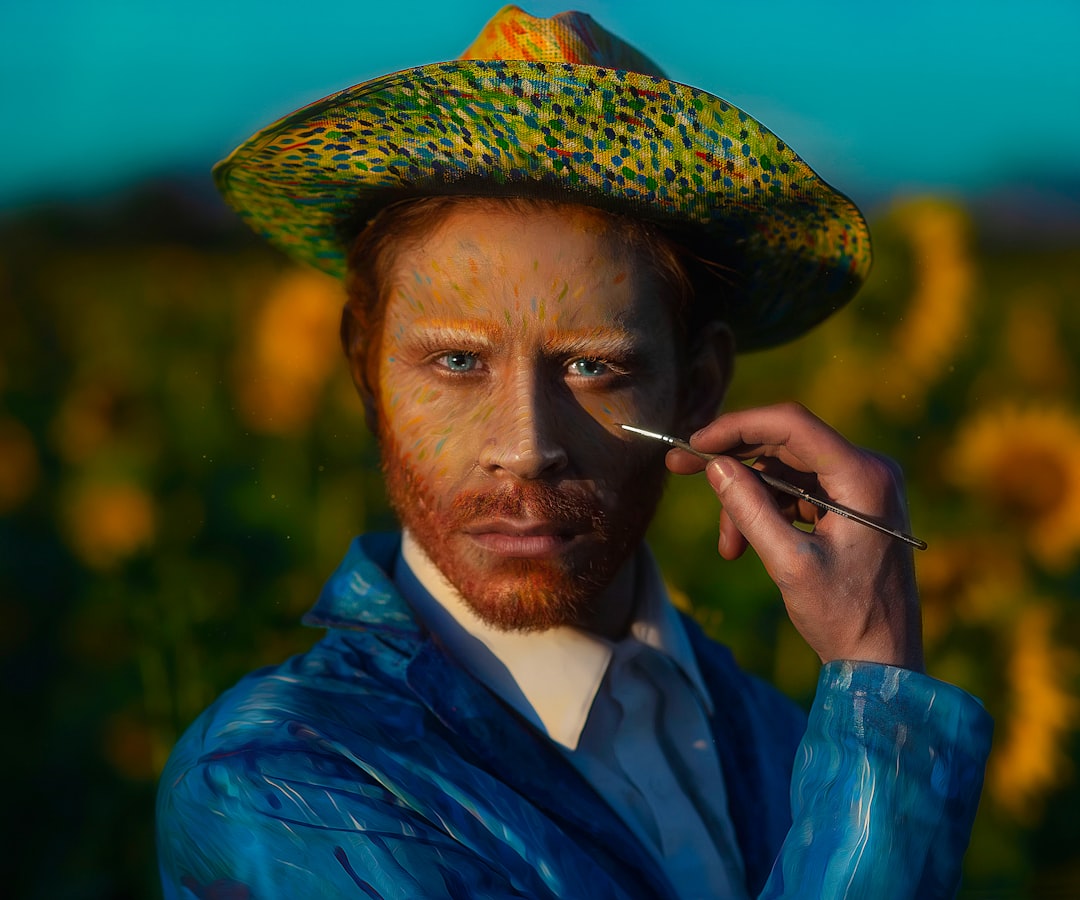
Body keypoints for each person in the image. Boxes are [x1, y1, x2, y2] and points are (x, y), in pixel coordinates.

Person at [156, 6, 992, 898]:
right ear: (367, 372)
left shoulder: (784, 742)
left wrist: (866, 695)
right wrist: (880, 718)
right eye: (456, 361)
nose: (525, 448)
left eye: (593, 365)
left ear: (699, 389)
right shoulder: (278, 782)